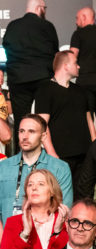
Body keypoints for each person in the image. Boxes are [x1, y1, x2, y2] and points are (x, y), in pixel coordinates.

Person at [0, 114, 73, 244]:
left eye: (31, 131)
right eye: (21, 131)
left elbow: (64, 210)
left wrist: (48, 246)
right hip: (9, 244)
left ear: (43, 136)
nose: (25, 136)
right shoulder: (2, 167)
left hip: (45, 246)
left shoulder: (59, 168)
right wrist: (6, 246)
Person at [35, 50, 95, 182]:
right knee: (61, 192)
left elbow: (89, 121)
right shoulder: (45, 89)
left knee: (84, 193)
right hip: (61, 156)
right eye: (75, 63)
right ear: (66, 66)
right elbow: (42, 124)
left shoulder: (81, 91)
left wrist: (94, 147)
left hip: (85, 156)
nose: (78, 66)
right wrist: (52, 154)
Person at [2, 0, 58, 141]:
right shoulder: (47, 26)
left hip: (18, 79)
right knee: (45, 121)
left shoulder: (13, 26)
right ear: (39, 8)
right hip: (43, 78)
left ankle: (22, 152)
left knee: (21, 121)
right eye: (44, 8)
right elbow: (55, 52)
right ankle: (48, 152)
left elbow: (6, 47)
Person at [70, 7, 96, 103]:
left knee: (87, 110)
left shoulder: (78, 34)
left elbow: (72, 56)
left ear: (84, 17)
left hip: (85, 81)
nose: (76, 22)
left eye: (77, 18)